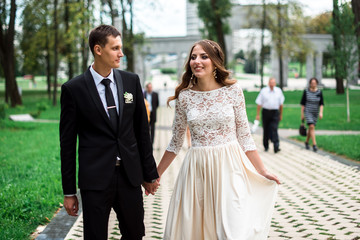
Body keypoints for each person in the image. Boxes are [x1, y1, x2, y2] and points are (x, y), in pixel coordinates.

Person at [156, 40, 280, 240]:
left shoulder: (233, 91)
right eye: (193, 57)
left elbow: (245, 136)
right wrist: (156, 175)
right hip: (197, 171)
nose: (197, 61)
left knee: (232, 230)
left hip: (230, 168)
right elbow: (175, 142)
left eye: (204, 56)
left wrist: (263, 170)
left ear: (215, 62)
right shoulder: (185, 97)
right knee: (197, 231)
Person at [60, 25, 159, 240]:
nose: (121, 53)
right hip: (95, 180)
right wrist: (69, 192)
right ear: (98, 49)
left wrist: (149, 173)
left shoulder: (131, 81)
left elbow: (142, 132)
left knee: (135, 234)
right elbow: (67, 145)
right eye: (115, 48)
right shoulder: (73, 89)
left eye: (120, 48)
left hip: (129, 176)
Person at [255, 77, 285, 153]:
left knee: (274, 128)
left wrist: (281, 114)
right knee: (266, 129)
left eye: (273, 82)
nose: (272, 84)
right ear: (268, 83)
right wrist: (258, 114)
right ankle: (266, 146)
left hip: (275, 112)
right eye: (270, 82)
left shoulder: (278, 91)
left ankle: (276, 146)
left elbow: (281, 104)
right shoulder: (264, 91)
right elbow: (259, 103)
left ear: (275, 83)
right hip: (265, 112)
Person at [300, 77, 324, 152]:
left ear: (317, 84)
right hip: (308, 111)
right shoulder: (306, 91)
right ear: (310, 84)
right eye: (312, 83)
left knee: (311, 128)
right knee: (311, 126)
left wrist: (321, 112)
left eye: (315, 83)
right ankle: (314, 144)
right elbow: (303, 104)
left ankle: (307, 142)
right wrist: (302, 114)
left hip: (315, 112)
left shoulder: (319, 92)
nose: (313, 84)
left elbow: (321, 104)